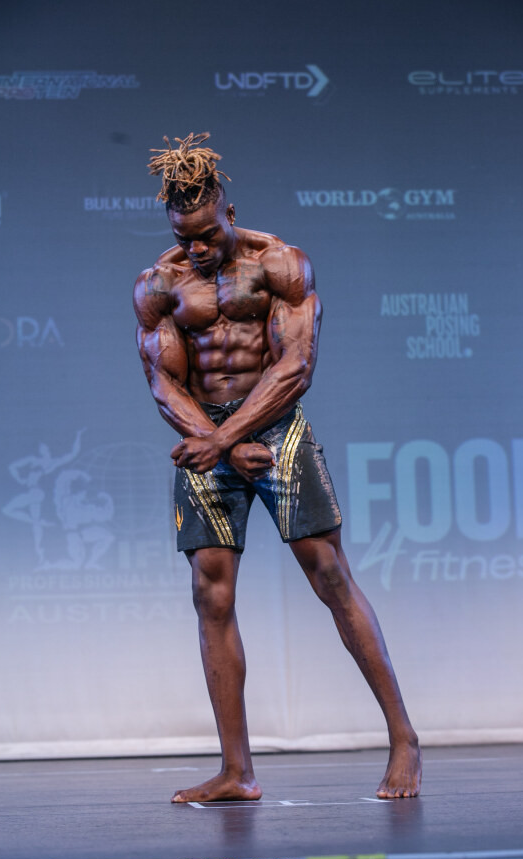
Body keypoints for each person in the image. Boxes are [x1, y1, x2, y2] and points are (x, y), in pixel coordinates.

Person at [133, 133, 422, 801]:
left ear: (229, 212)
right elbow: (162, 382)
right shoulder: (159, 285)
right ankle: (237, 771)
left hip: (274, 429)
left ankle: (404, 738)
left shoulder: (281, 265)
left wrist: (228, 438)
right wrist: (221, 443)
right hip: (206, 435)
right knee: (210, 594)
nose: (197, 248)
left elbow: (295, 368)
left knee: (330, 574)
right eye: (184, 237)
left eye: (208, 234)